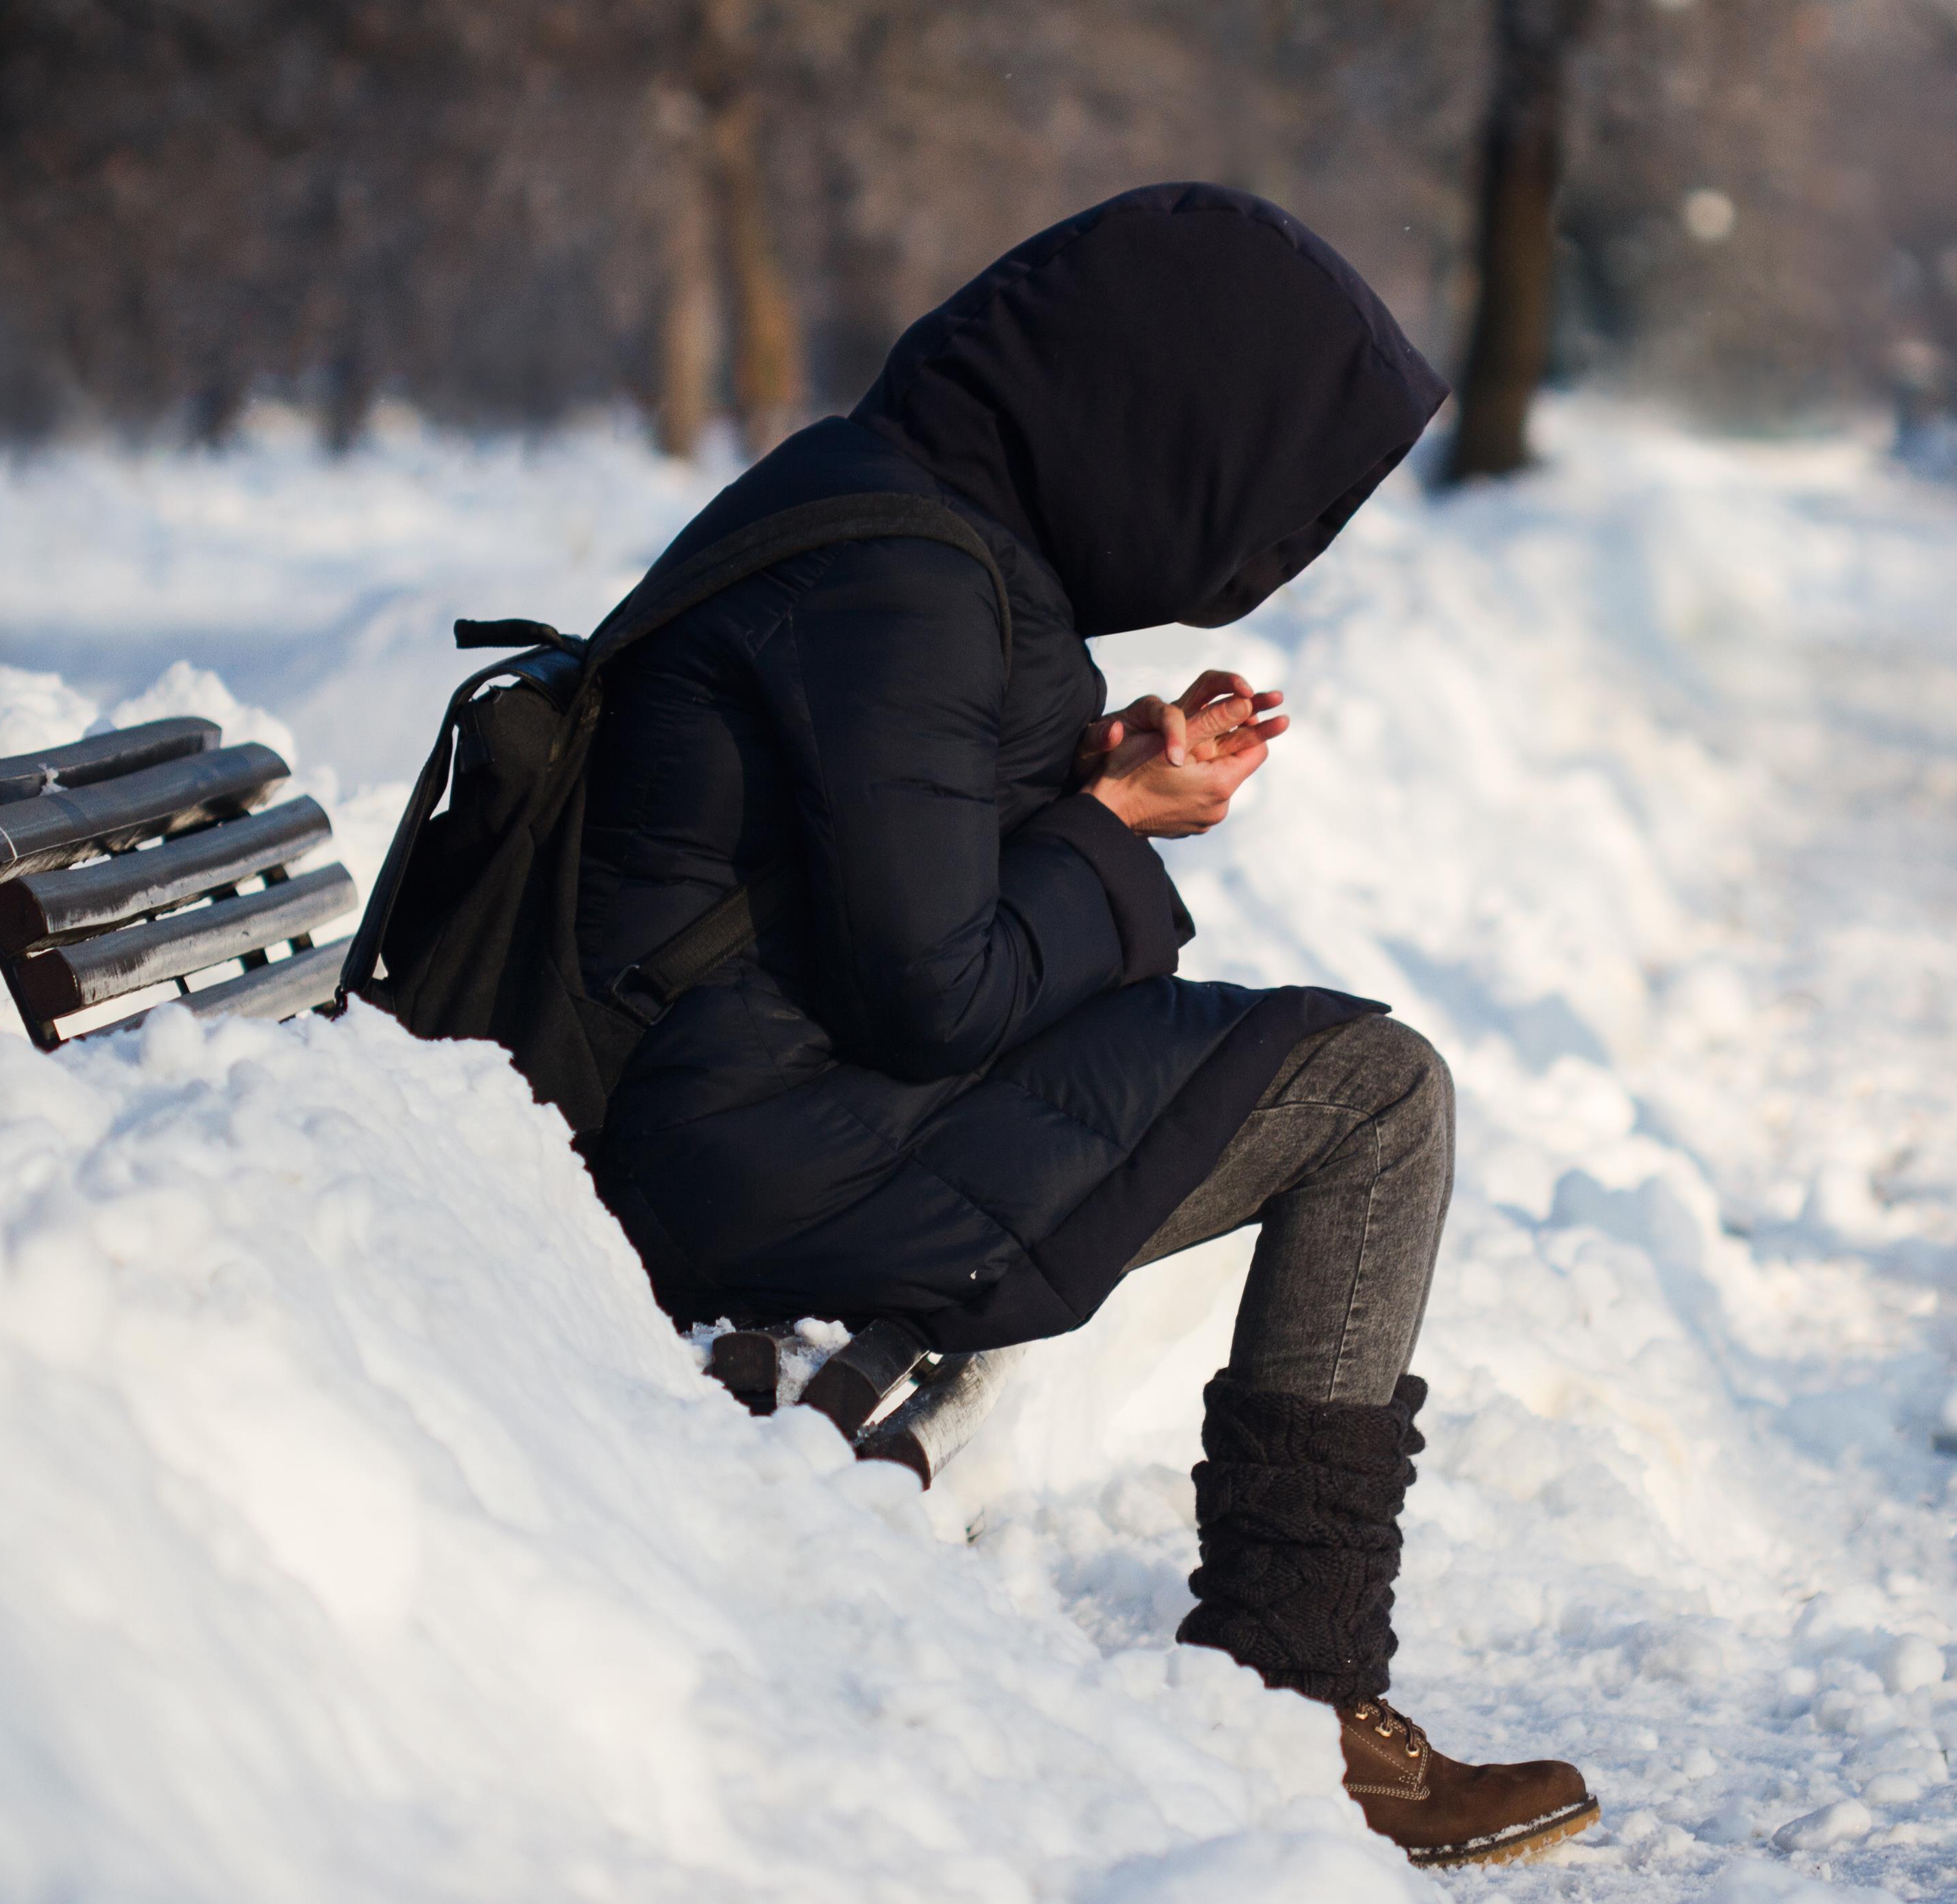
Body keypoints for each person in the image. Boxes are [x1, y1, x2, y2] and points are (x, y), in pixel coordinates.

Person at [573, 183, 1598, 1868]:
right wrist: (1112, 819)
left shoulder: (915, 523)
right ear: (1154, 415)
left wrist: (1088, 773)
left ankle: (1299, 1685)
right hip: (763, 1157)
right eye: (1252, 480)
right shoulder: (903, 581)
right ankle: (1295, 1697)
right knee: (1369, 1092)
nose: (1254, 544)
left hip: (772, 1100)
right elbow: (932, 986)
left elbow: (882, 851)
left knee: (1344, 1078)